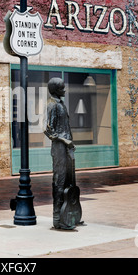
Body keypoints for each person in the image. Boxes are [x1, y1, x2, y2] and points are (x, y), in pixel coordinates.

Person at [44, 77, 76, 229]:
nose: (65, 90)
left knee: (70, 180)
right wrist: (64, 141)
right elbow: (48, 130)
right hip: (59, 148)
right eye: (62, 88)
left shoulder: (60, 103)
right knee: (59, 180)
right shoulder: (52, 105)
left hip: (68, 146)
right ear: (56, 90)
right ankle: (57, 219)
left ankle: (70, 214)